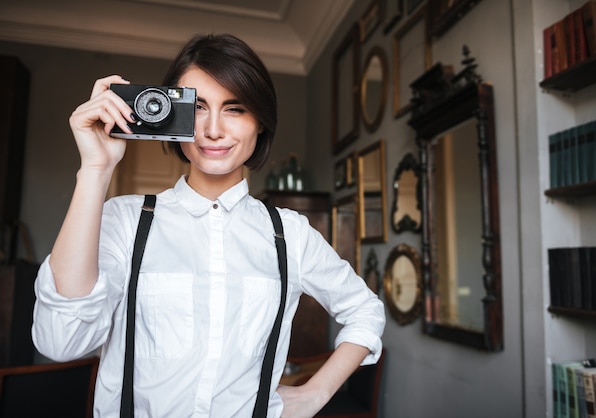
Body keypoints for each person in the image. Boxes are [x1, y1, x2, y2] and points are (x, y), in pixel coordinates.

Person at [32, 33, 385, 417]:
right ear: (169, 113)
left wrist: (316, 393)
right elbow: (60, 341)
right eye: (197, 107)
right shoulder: (126, 220)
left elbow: (365, 311)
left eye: (234, 108)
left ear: (260, 123)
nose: (213, 129)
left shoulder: (291, 234)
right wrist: (95, 170)